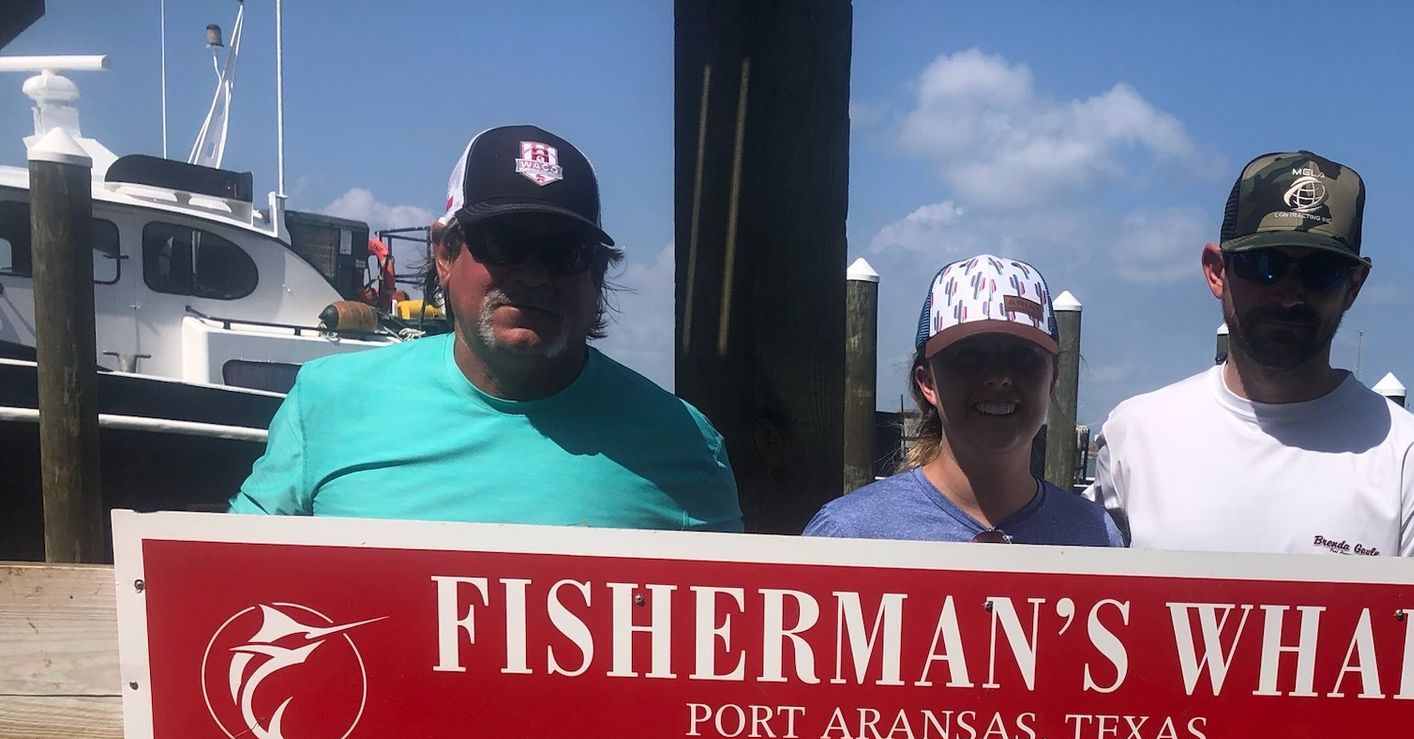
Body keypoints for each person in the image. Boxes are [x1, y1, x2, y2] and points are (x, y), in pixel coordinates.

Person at [231, 125, 742, 531]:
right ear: (444, 254)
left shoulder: (687, 442)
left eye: (564, 251)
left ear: (597, 271)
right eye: (502, 242)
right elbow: (226, 582)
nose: (533, 274)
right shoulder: (325, 402)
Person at [1088, 151, 1414, 558]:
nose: (1289, 294)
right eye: (1263, 265)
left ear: (1354, 284)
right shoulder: (1137, 433)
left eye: (1321, 270)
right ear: (1216, 271)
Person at [804, 255, 1119, 545]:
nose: (999, 376)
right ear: (927, 381)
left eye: (1023, 355)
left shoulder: (1096, 535)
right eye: (969, 356)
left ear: (1052, 378)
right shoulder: (847, 532)